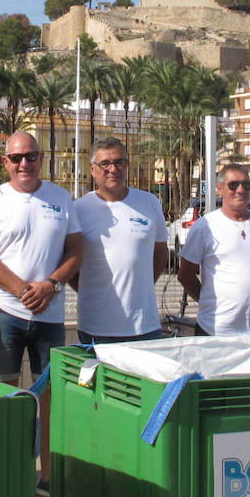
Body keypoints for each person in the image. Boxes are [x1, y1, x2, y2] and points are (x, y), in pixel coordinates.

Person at [0, 131, 82, 495]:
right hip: (5, 312)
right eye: (17, 157)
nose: (25, 164)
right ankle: (8, 472)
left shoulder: (61, 198)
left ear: (41, 158)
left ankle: (48, 477)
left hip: (50, 316)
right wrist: (22, 290)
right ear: (5, 162)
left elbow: (75, 250)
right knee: (5, 393)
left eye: (31, 156)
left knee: (50, 397)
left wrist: (50, 284)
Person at [72, 137, 168, 344]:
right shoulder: (79, 209)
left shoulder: (150, 203)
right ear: (92, 169)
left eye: (119, 162)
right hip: (96, 327)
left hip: (144, 326)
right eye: (104, 164)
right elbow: (69, 260)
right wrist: (91, 290)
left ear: (127, 165)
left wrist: (141, 287)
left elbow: (160, 253)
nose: (112, 169)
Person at [177, 164, 250, 335]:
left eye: (246, 185)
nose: (240, 190)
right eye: (233, 185)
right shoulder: (205, 227)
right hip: (215, 329)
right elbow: (185, 274)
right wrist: (209, 302)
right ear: (219, 189)